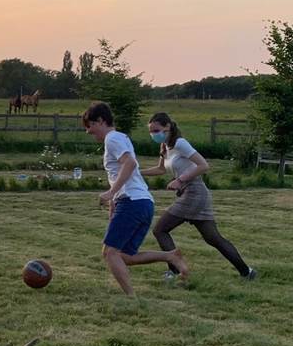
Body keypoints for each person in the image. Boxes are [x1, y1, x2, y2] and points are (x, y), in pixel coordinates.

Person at [85, 101, 188, 296]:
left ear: (100, 121)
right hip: (142, 202)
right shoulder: (121, 137)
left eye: (89, 126)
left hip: (132, 203)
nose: (88, 131)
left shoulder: (112, 139)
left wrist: (111, 192)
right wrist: (113, 204)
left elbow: (130, 164)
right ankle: (170, 256)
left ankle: (131, 298)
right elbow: (123, 173)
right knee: (125, 256)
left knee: (110, 253)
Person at [140, 112, 257, 281]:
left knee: (160, 230)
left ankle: (174, 271)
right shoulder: (165, 146)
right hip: (193, 194)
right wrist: (136, 172)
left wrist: (180, 180)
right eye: (151, 131)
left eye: (156, 130)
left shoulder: (180, 143)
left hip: (194, 193)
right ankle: (247, 272)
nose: (153, 134)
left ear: (167, 127)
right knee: (213, 238)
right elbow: (160, 170)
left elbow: (203, 165)